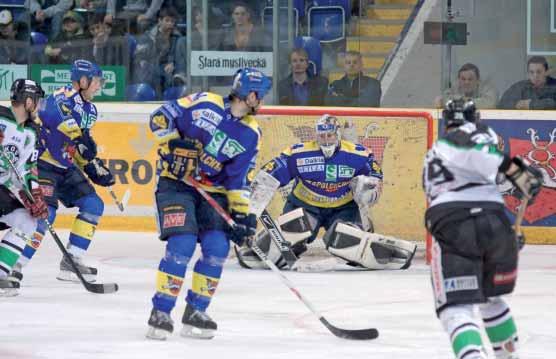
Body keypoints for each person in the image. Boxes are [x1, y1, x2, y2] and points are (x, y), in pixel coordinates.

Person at [145, 68, 272, 340]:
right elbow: (159, 117)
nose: (262, 101)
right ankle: (161, 311)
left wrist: (243, 218)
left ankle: (196, 311)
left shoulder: (251, 134)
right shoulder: (204, 101)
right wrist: (171, 144)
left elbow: (238, 182)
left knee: (217, 247)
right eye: (260, 96)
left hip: (212, 192)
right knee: (183, 243)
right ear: (250, 95)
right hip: (176, 184)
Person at [422, 99, 543, 359]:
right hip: (495, 222)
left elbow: (476, 150)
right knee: (492, 300)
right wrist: (521, 175)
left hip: (453, 223)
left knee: (456, 308)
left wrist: (517, 172)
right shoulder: (481, 136)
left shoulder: (444, 144)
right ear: (474, 117)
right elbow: (486, 159)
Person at [236, 114, 416, 271]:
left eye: (330, 135)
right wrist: (259, 189)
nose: (326, 140)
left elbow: (375, 176)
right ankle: (259, 247)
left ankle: (389, 252)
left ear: (337, 134)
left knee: (342, 239)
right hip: (305, 205)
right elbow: (273, 171)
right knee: (295, 229)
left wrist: (368, 189)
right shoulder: (299, 153)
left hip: (343, 208)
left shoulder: (358, 154)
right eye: (321, 136)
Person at [11, 60, 115, 289]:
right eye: (97, 82)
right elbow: (55, 116)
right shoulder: (61, 96)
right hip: (44, 165)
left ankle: (72, 260)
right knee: (44, 214)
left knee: (94, 204)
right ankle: (15, 265)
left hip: (65, 168)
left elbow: (78, 148)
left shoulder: (91, 110)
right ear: (84, 81)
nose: (99, 87)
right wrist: (78, 137)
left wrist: (92, 165)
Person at [0, 79, 47, 296]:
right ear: (28, 101)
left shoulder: (31, 132)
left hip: (2, 189)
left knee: (28, 221)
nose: (38, 106)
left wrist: (33, 196)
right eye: (36, 101)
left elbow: (26, 169)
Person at [434, 63, 498, 109]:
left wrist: (460, 101)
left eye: (470, 79)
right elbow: (442, 100)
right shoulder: (454, 88)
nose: (466, 82)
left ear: (478, 80)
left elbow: (489, 104)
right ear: (459, 80)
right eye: (463, 79)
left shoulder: (487, 89)